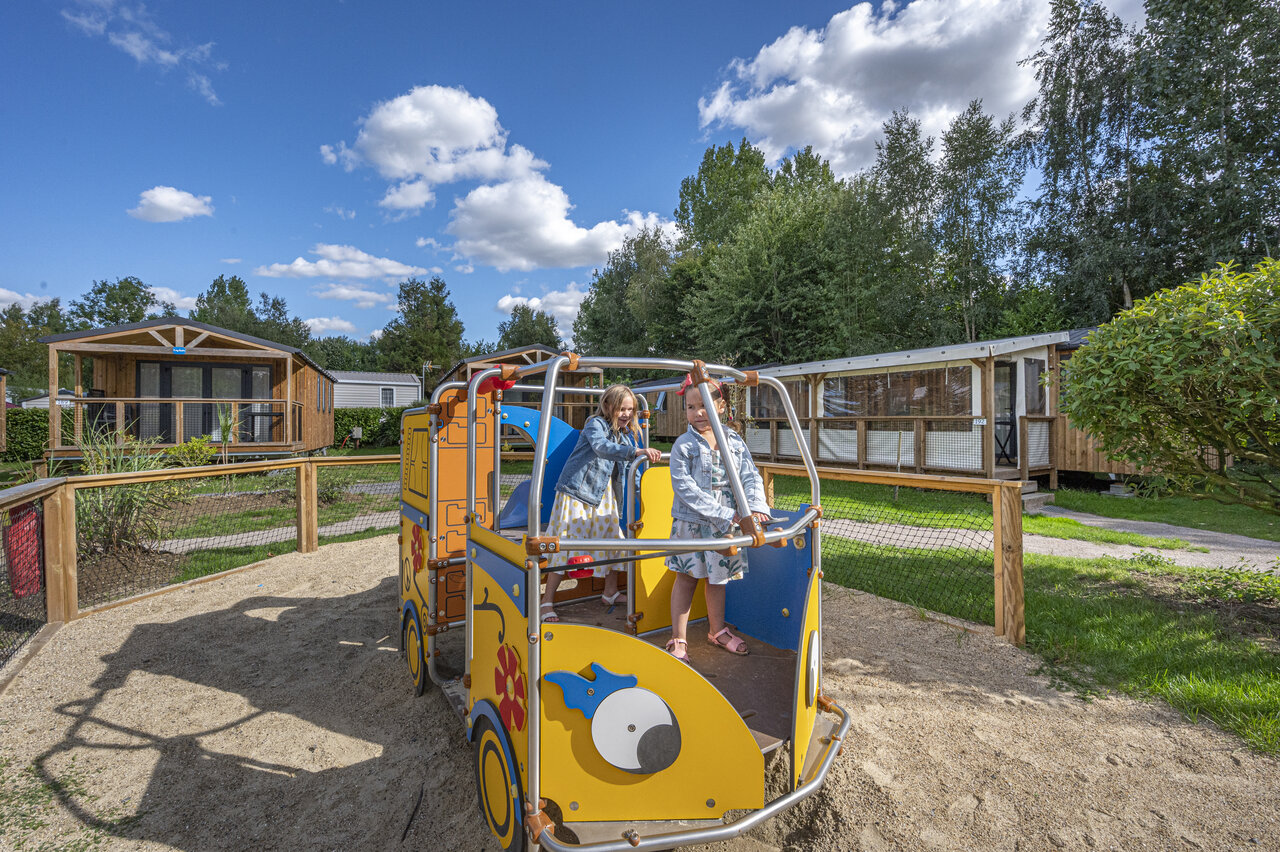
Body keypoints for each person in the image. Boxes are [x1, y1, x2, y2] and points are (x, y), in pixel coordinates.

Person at [665, 374, 770, 661]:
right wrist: (728, 513)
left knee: (718, 578)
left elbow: (749, 475)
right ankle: (678, 638)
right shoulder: (683, 446)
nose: (697, 413)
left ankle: (717, 630)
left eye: (704, 405)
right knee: (687, 577)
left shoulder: (733, 440)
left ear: (720, 406)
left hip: (730, 520)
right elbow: (686, 490)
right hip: (695, 520)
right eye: (690, 407)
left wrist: (756, 507)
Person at [539, 384, 663, 623]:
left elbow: (631, 472)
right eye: (621, 409)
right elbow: (601, 447)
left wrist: (646, 495)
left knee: (613, 541)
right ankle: (547, 601)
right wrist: (635, 451)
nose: (626, 414)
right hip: (577, 492)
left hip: (603, 495)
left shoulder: (624, 435)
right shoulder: (594, 424)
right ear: (608, 406)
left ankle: (609, 592)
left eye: (630, 409)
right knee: (565, 543)